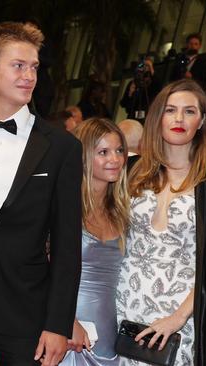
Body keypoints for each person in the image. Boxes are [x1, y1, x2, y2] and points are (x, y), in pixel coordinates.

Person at [0, 21, 82, 366]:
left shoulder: (62, 147)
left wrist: (58, 323)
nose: (29, 76)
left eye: (34, 67)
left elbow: (67, 245)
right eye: (18, 66)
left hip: (30, 318)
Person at [116, 79, 206, 365]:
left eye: (189, 111)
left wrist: (177, 318)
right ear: (157, 117)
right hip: (125, 304)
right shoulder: (131, 170)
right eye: (170, 110)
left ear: (201, 122)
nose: (179, 118)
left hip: (184, 316)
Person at [60, 118, 129, 365]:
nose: (115, 159)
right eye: (103, 152)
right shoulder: (63, 206)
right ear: (83, 156)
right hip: (69, 328)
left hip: (110, 327)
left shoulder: (121, 210)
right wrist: (66, 322)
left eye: (119, 150)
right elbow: (40, 271)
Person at [119, 56, 161, 121]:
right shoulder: (133, 83)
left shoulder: (153, 83)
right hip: (132, 117)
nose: (144, 67)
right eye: (143, 65)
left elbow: (158, 86)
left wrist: (150, 67)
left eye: (147, 66)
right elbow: (124, 103)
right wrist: (130, 94)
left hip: (146, 117)